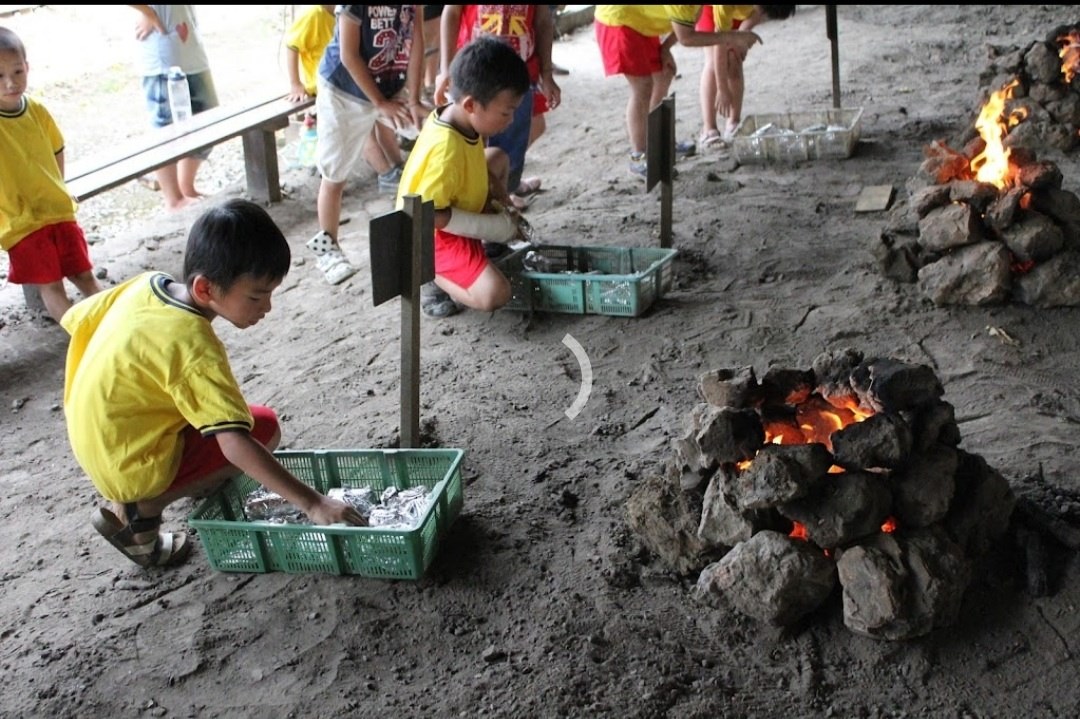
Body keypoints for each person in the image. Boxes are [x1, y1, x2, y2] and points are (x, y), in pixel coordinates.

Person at [61, 199, 366, 569]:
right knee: (263, 429)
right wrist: (314, 503)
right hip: (127, 463)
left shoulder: (147, 284)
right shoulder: (192, 345)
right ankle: (142, 511)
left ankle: (147, 492)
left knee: (222, 417)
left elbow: (77, 319)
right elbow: (235, 444)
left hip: (92, 435)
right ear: (205, 288)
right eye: (256, 296)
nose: (267, 307)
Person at [396, 35, 530, 318]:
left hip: (453, 203)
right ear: (471, 105)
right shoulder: (445, 153)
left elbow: (479, 165)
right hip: (429, 234)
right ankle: (428, 274)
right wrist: (491, 227)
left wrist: (503, 203)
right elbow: (425, 215)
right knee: (495, 293)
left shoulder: (460, 117)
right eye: (506, 112)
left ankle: (483, 249)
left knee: (497, 159)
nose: (511, 121)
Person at [308, 5, 426, 285]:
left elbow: (417, 40)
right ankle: (327, 251)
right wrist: (380, 103)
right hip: (343, 93)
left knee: (432, 130)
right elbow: (348, 55)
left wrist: (413, 99)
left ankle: (442, 227)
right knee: (334, 175)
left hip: (388, 85)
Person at [0, 26, 104, 324]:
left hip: (58, 211)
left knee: (85, 275)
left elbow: (57, 149)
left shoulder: (37, 110)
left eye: (17, 72)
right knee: (51, 286)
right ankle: (83, 334)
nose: (10, 83)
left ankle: (113, 327)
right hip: (20, 221)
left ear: (27, 67)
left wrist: (59, 187)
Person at [592, 5, 763, 180]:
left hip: (641, 23)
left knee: (663, 74)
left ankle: (659, 145)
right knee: (642, 86)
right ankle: (638, 157)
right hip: (618, 20)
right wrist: (734, 36)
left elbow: (690, 21)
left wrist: (665, 48)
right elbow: (686, 37)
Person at [436, 5, 561, 212]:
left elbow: (542, 20)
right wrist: (446, 70)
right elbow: (451, 13)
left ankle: (506, 187)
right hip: (476, 75)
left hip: (519, 72)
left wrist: (546, 73)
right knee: (474, 140)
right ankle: (489, 196)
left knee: (514, 133)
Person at [129, 5, 219, 211]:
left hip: (190, 48)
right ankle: (173, 198)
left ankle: (186, 186)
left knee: (208, 116)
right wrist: (148, 13)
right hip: (161, 54)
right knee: (165, 127)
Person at [697, 5, 795, 151]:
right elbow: (719, 43)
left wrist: (741, 37)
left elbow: (755, 15)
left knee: (734, 57)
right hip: (712, 12)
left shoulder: (760, 8)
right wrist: (722, 88)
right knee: (713, 63)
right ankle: (709, 128)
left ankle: (733, 122)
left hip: (739, 13)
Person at [283, 4, 336, 103]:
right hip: (323, 86)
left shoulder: (344, 12)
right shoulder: (314, 13)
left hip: (340, 85)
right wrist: (295, 84)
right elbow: (292, 46)